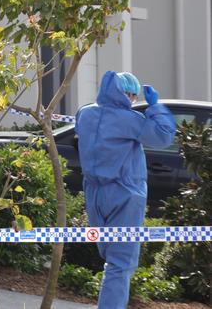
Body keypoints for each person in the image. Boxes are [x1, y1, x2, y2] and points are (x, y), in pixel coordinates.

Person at [75, 71, 176, 309]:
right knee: (121, 263)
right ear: (127, 94)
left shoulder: (86, 114)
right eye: (132, 95)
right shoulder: (129, 119)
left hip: (94, 195)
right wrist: (155, 107)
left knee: (110, 258)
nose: (132, 100)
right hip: (125, 195)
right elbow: (163, 136)